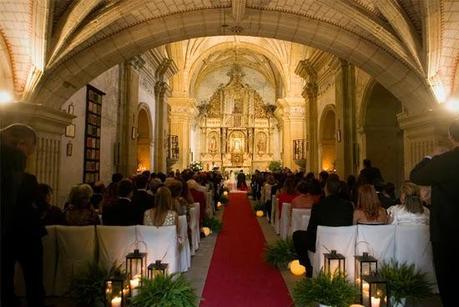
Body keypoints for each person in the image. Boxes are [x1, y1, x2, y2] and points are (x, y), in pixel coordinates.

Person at [409, 119, 459, 307]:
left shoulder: (444, 162)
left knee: (449, 281)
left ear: (450, 136)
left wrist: (431, 156)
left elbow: (416, 175)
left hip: (446, 231)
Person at [1, 123, 47, 307]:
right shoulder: (26, 180)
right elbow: (37, 207)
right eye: (32, 146)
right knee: (33, 279)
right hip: (26, 235)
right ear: (21, 145)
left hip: (5, 235)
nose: (32, 151)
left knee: (5, 278)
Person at [292, 176, 354, 277]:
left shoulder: (318, 206)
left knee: (297, 236)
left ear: (325, 189)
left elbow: (311, 230)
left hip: (321, 243)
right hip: (344, 242)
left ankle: (308, 266)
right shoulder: (348, 205)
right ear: (339, 189)